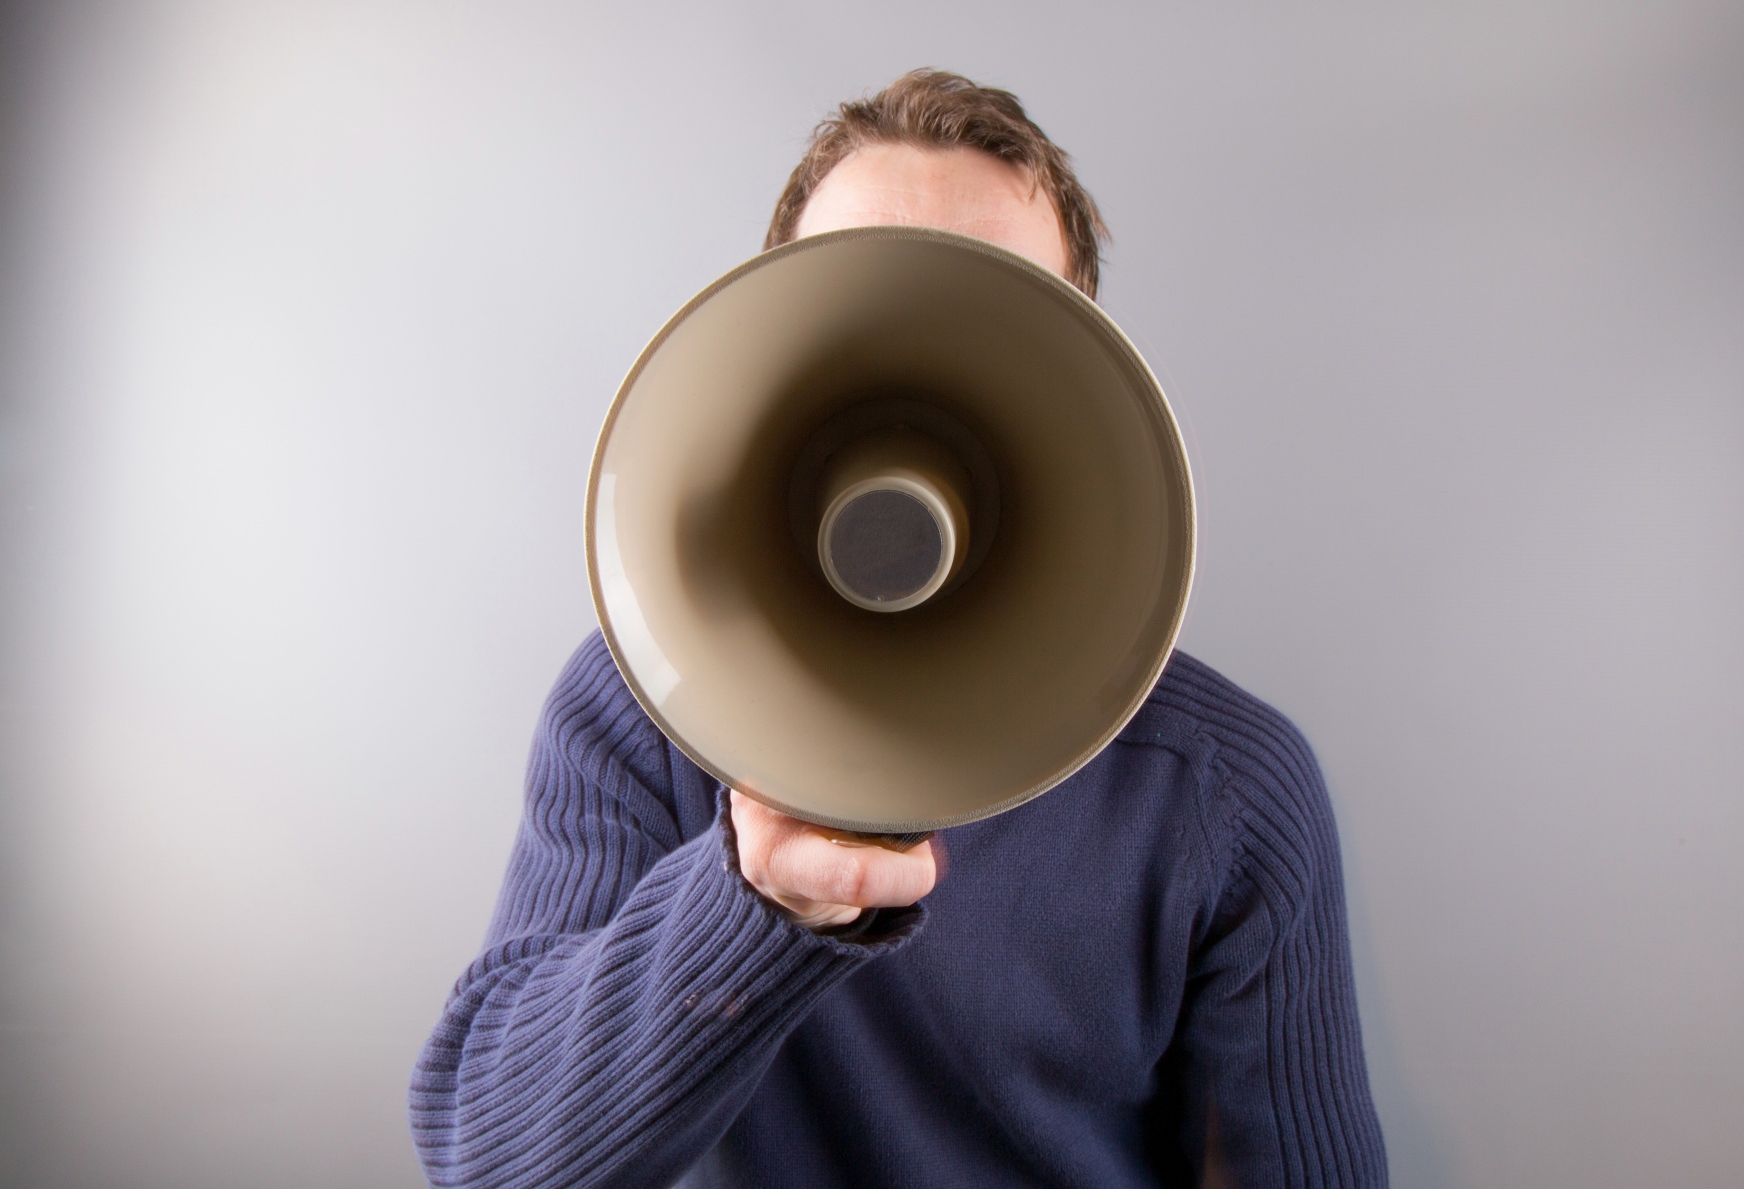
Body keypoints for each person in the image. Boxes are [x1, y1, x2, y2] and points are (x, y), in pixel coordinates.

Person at [410, 69, 1388, 1189]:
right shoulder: (641, 708)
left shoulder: (1226, 792)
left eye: (992, 311)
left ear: (1083, 378)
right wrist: (754, 900)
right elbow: (489, 1159)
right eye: (869, 291)